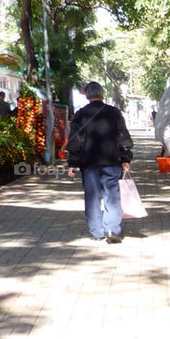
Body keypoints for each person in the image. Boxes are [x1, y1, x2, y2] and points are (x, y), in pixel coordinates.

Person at [66, 80, 133, 244]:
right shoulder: (114, 113)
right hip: (112, 162)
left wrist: (72, 164)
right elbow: (122, 137)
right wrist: (125, 158)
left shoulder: (80, 115)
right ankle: (112, 229)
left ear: (87, 96)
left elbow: (75, 141)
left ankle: (97, 232)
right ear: (101, 94)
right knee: (112, 196)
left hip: (89, 164)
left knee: (92, 197)